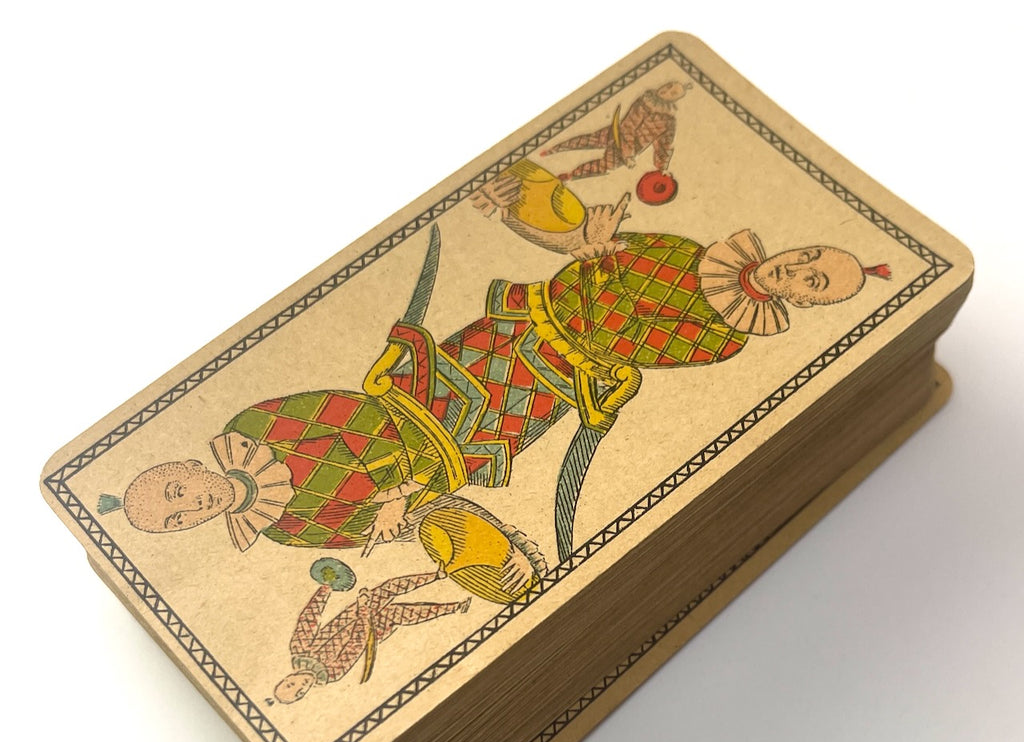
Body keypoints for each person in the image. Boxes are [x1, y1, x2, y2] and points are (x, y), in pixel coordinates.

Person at [102, 170, 887, 561]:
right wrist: (390, 516)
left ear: (805, 303)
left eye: (813, 281)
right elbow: (349, 527)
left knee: (501, 414)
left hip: (530, 377)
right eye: (177, 512)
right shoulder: (274, 526)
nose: (189, 503)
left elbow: (637, 340)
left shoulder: (728, 338)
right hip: (481, 370)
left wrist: (594, 269)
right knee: (474, 427)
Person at [269, 567, 469, 700]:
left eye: (291, 685)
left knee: (389, 588)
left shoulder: (299, 649)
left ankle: (436, 575)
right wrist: (364, 609)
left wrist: (325, 590)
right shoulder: (332, 673)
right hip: (370, 628)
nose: (300, 686)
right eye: (299, 693)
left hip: (351, 614)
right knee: (402, 613)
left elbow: (309, 618)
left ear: (287, 678)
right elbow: (356, 645)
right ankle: (455, 607)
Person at [540, 81, 691, 181]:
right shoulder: (645, 102)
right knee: (586, 140)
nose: (666, 91)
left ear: (675, 99)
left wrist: (661, 168)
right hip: (618, 135)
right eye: (668, 86)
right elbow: (628, 126)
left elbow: (664, 145)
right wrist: (628, 154)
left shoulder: (669, 121)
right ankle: (552, 150)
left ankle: (570, 175)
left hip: (632, 149)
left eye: (673, 93)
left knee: (606, 166)